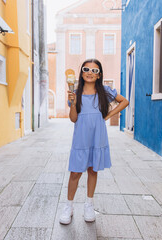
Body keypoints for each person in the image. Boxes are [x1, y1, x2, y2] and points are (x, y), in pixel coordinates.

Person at [59, 59, 129, 225]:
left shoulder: (105, 91)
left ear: (99, 75)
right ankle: (68, 206)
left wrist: (108, 115)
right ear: (81, 73)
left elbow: (124, 101)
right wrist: (73, 104)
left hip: (97, 136)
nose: (90, 72)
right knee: (75, 172)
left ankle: (89, 204)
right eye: (86, 69)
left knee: (92, 169)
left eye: (94, 70)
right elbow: (73, 119)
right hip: (81, 137)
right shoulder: (75, 92)